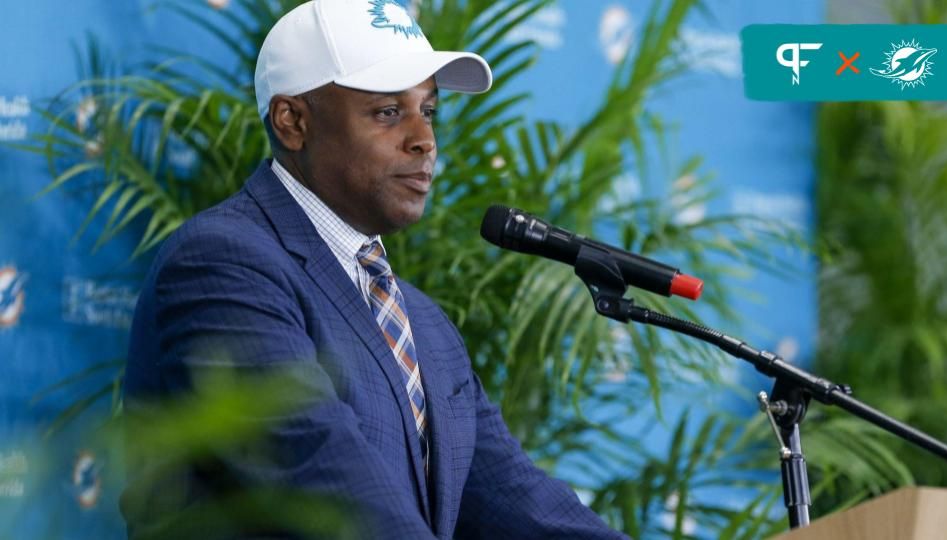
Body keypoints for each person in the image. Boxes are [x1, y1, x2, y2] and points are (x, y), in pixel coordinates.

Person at [122, 1, 627, 538]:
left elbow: (519, 500)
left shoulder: (426, 325)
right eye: (389, 111)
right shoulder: (222, 264)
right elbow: (327, 486)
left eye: (428, 110)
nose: (424, 139)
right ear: (293, 122)